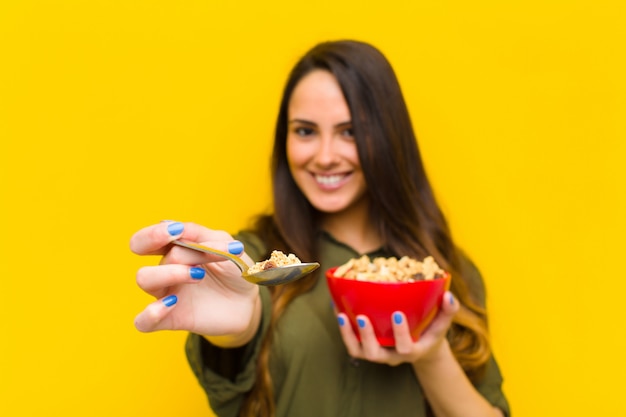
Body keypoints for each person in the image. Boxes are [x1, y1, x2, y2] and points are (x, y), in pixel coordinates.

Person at [130, 40, 510, 417]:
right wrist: (232, 333)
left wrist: (430, 354)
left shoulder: (448, 274)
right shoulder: (253, 261)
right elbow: (238, 322)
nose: (325, 157)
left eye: (350, 131)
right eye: (306, 131)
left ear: (388, 138)